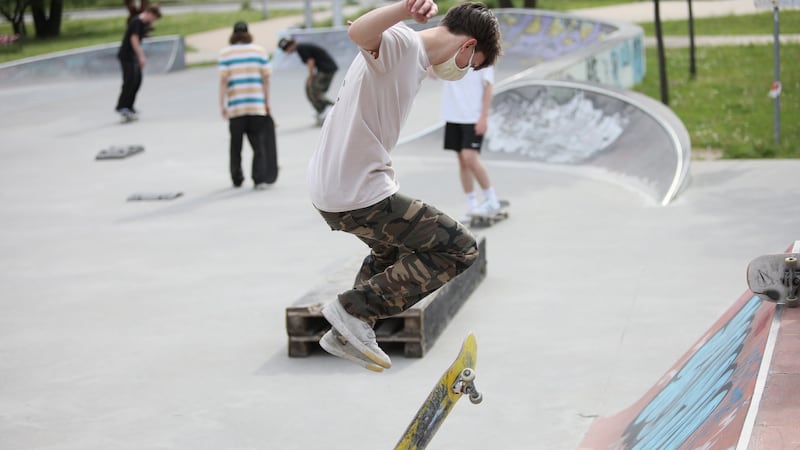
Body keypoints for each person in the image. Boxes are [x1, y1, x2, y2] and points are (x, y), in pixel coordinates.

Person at [308, 0, 502, 371]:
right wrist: (401, 10)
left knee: (390, 252)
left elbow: (367, 37)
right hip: (357, 191)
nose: (463, 72)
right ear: (467, 46)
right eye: (470, 66)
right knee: (459, 249)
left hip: (332, 187)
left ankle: (345, 330)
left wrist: (380, 27)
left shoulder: (408, 53)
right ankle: (352, 311)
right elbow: (359, 33)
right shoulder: (404, 45)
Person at [218, 21, 278, 189]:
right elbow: (266, 78)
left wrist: (222, 104)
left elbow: (223, 80)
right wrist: (266, 102)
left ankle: (237, 178)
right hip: (256, 105)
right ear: (248, 33)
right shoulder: (259, 51)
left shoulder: (225, 54)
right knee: (258, 144)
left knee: (235, 146)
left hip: (236, 107)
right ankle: (258, 179)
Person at [440, 65, 502, 220]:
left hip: (472, 117)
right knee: (462, 161)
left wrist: (483, 117)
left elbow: (488, 87)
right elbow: (433, 72)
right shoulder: (451, 52)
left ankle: (492, 199)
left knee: (470, 158)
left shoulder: (483, 55)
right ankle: (472, 204)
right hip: (453, 115)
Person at [115, 5, 161, 120]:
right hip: (127, 56)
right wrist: (141, 56)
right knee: (129, 80)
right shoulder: (137, 21)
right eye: (154, 18)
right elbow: (133, 39)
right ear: (150, 13)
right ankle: (122, 106)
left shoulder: (141, 23)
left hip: (132, 56)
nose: (153, 21)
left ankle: (129, 106)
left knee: (137, 80)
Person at [277, 37, 338, 124]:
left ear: (289, 46)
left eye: (286, 50)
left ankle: (330, 107)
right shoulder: (300, 48)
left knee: (314, 91)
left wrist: (310, 76)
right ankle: (321, 109)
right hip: (324, 69)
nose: (287, 52)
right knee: (309, 89)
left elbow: (310, 61)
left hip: (327, 69)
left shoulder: (300, 48)